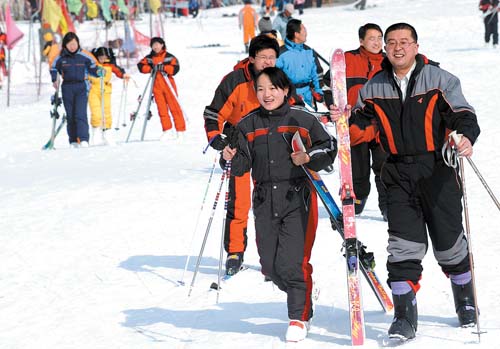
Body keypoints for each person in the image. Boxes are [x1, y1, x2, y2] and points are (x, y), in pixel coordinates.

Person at [330, 22, 481, 341]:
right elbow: (360, 126)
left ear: (415, 45)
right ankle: (403, 316)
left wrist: (465, 135)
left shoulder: (440, 79)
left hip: (437, 171)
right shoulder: (373, 87)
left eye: (404, 42)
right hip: (397, 173)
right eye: (391, 42)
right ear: (384, 48)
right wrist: (343, 123)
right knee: (403, 246)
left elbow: (462, 113)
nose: (398, 47)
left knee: (449, 244)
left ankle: (465, 302)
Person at [221, 67, 337, 342]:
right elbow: (240, 165)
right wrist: (228, 155)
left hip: (297, 198)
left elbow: (328, 147)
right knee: (270, 266)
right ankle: (304, 292)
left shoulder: (302, 119)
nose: (266, 94)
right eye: (261, 89)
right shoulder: (247, 125)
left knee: (293, 263)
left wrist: (308, 157)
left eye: (272, 88)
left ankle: (298, 316)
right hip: (264, 200)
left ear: (285, 90)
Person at [203, 35, 291, 276]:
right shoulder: (234, 81)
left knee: (271, 202)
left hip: (271, 147)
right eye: (263, 57)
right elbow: (213, 113)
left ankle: (275, 253)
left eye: (272, 57)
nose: (268, 62)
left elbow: (295, 109)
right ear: (252, 58)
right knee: (239, 202)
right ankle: (235, 252)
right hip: (239, 146)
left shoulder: (279, 81)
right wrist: (216, 139)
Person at [324, 23, 387, 219]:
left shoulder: (389, 61)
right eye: (371, 38)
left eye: (379, 38)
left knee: (385, 168)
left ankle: (388, 207)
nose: (376, 42)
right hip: (354, 125)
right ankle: (357, 202)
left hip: (382, 125)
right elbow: (328, 85)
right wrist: (332, 106)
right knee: (358, 171)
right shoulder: (347, 60)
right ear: (361, 41)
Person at [50, 32, 100, 148]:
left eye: (74, 44)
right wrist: (54, 79)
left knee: (80, 114)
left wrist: (98, 72)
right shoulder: (61, 57)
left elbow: (93, 66)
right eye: (70, 44)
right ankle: (73, 141)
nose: (72, 46)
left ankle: (83, 140)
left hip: (81, 87)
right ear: (65, 45)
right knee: (70, 115)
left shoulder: (84, 55)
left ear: (78, 43)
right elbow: (53, 68)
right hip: (67, 87)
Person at [137, 37, 186, 141]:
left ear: (162, 45)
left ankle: (180, 131)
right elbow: (141, 66)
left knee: (175, 108)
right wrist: (151, 68)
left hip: (168, 85)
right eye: (153, 45)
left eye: (157, 44)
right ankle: (167, 130)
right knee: (162, 110)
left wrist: (164, 68)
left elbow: (175, 68)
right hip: (156, 86)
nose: (156, 47)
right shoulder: (150, 58)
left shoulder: (169, 57)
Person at [276, 19, 323, 107]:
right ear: (296, 34)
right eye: (304, 30)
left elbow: (317, 73)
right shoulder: (280, 54)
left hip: (309, 97)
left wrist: (318, 92)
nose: (306, 33)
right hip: (290, 98)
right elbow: (275, 78)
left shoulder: (309, 52)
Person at [88, 47, 130, 146]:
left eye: (104, 57)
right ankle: (95, 134)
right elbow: (84, 72)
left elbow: (118, 70)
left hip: (105, 90)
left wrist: (123, 75)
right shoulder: (92, 64)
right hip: (93, 90)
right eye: (100, 57)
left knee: (106, 112)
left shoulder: (109, 64)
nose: (102, 59)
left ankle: (107, 133)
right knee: (96, 112)